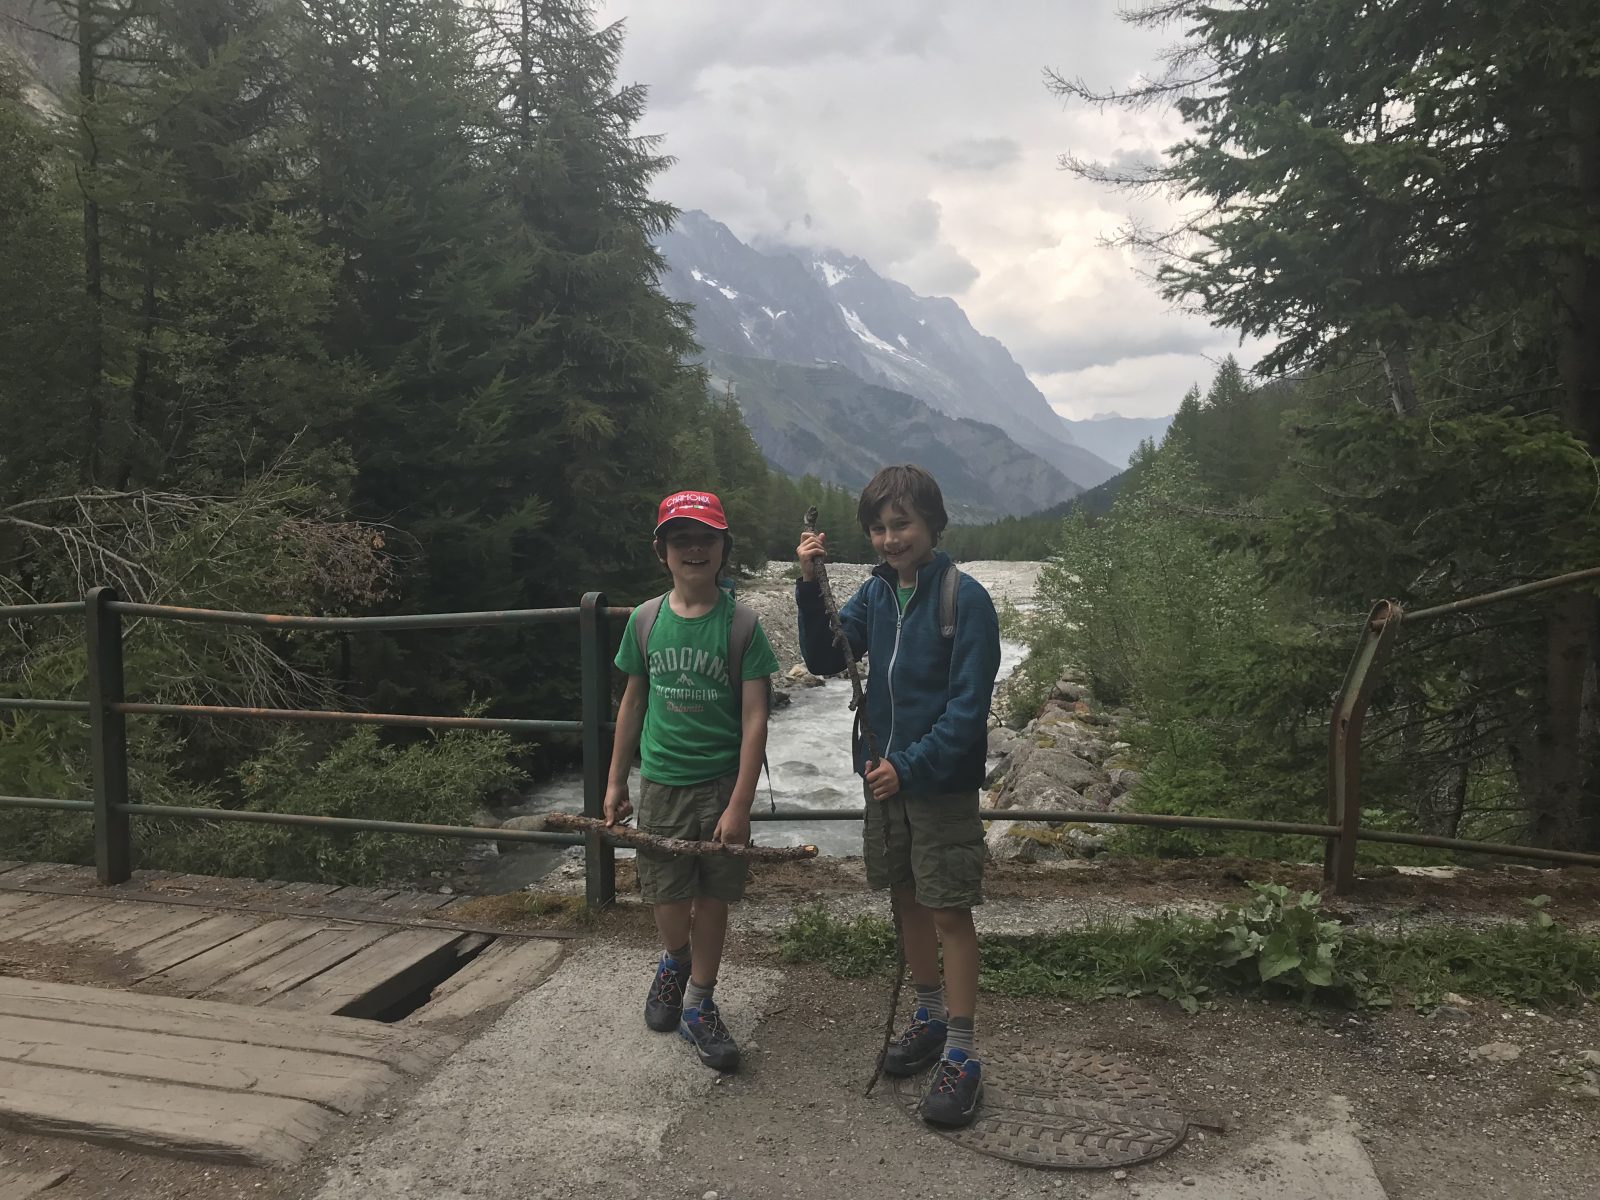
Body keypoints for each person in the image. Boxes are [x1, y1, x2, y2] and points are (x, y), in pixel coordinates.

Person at [795, 464, 1001, 1128]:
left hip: (936, 787)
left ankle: (963, 1053)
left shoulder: (963, 600)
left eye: (901, 524)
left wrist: (906, 766)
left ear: (932, 524)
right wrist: (809, 584)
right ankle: (929, 1015)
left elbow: (967, 714)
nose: (889, 539)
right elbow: (828, 659)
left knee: (949, 910)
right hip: (887, 783)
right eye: (879, 528)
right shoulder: (876, 594)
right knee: (907, 897)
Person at [604, 490, 779, 1073]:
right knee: (666, 895)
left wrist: (740, 804)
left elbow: (756, 718)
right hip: (659, 782)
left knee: (714, 897)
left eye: (706, 538)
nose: (695, 549)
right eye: (682, 540)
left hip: (720, 784)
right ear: (663, 552)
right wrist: (614, 783)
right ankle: (675, 959)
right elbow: (632, 704)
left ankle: (699, 1003)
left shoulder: (744, 627)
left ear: (724, 548)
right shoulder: (645, 620)